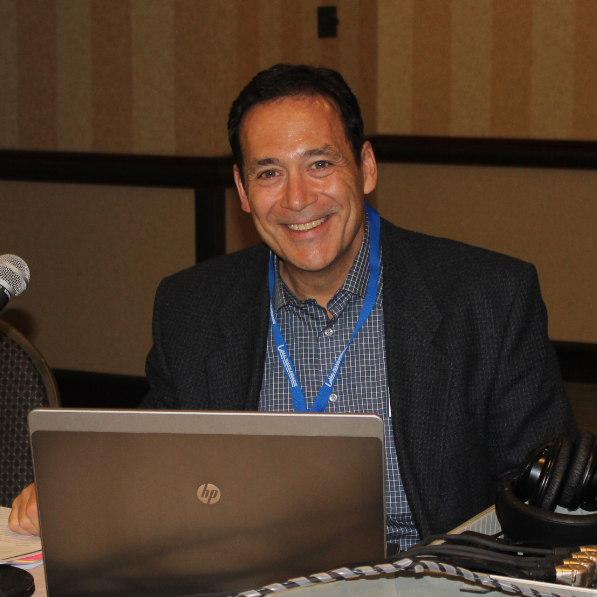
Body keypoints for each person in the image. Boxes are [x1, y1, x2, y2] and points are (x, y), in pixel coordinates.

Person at [10, 64, 577, 548]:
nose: (298, 198)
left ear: (366, 167)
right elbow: (152, 463)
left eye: (320, 164)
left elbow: (549, 499)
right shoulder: (192, 308)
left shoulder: (487, 299)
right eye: (269, 173)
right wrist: (77, 490)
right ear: (242, 190)